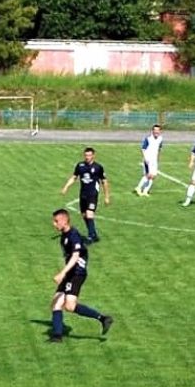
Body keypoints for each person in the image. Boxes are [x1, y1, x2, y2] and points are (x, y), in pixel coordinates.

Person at [48, 209, 113, 343]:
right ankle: (56, 336)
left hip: (76, 274)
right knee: (56, 303)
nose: (54, 224)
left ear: (65, 220)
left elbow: (75, 256)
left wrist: (62, 273)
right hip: (70, 273)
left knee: (69, 306)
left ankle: (103, 318)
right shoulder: (64, 235)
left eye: (56, 221)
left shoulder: (73, 236)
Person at [60, 147, 111, 244]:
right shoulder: (80, 166)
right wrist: (66, 187)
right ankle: (94, 234)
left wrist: (107, 196)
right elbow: (74, 177)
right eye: (86, 155)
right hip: (83, 194)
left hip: (93, 194)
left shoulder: (98, 167)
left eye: (89, 155)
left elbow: (104, 182)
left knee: (89, 214)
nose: (87, 157)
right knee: (84, 215)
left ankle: (90, 237)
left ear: (93, 155)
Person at [134, 124, 164, 196]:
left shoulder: (160, 139)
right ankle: (138, 187)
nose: (156, 132)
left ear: (160, 131)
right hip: (148, 159)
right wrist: (145, 158)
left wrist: (158, 158)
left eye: (158, 130)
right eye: (155, 130)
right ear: (152, 131)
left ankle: (145, 191)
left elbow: (159, 149)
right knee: (148, 175)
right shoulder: (148, 139)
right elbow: (143, 149)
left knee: (153, 176)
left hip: (154, 160)